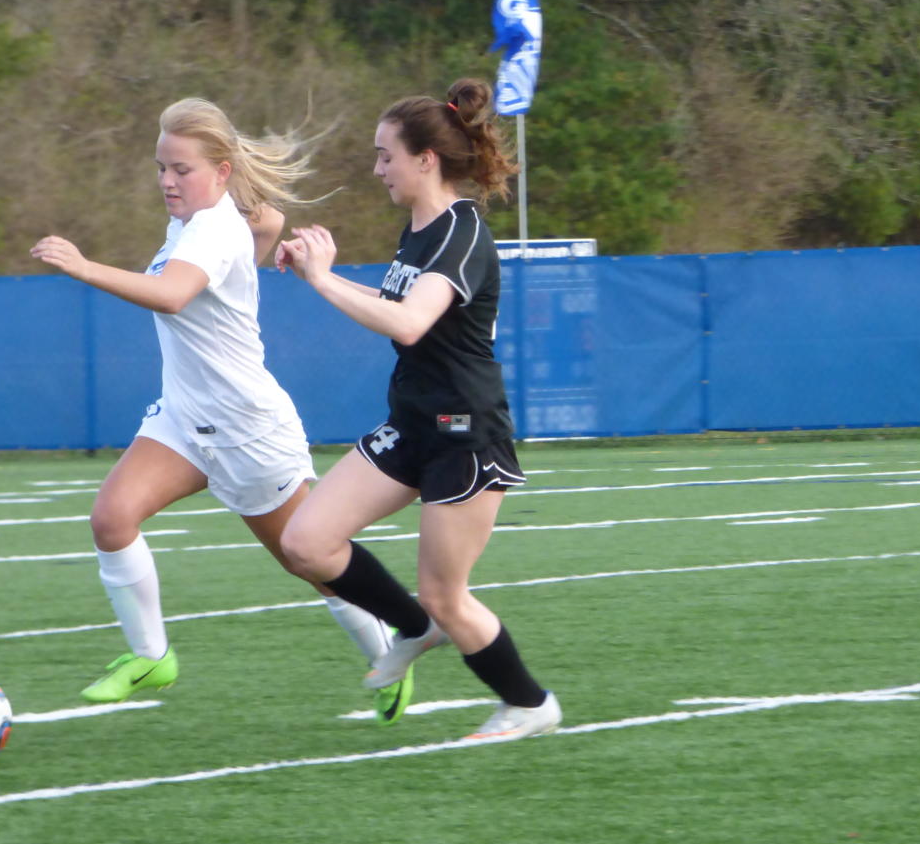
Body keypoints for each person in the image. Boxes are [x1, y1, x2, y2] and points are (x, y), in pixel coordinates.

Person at [30, 97, 413, 723]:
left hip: (245, 429)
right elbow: (269, 218)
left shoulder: (210, 227)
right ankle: (152, 657)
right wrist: (263, 249)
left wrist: (84, 266)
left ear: (222, 171)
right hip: (184, 420)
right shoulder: (203, 221)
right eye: (161, 167)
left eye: (181, 169)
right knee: (112, 518)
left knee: (309, 560)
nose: (166, 181)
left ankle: (390, 651)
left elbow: (173, 295)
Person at [275, 77, 561, 742]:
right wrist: (320, 272)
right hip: (412, 425)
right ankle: (411, 628)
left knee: (446, 595)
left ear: (425, 159)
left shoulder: (461, 231)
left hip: (464, 435)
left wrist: (322, 278)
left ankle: (528, 703)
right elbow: (397, 311)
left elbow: (407, 323)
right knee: (305, 543)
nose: (377, 169)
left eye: (385, 156)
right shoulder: (420, 231)